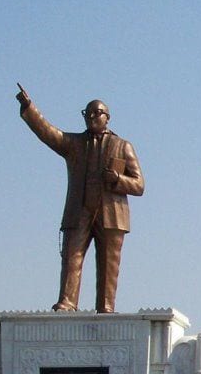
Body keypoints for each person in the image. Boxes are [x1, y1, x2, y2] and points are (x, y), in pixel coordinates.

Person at [16, 84, 144, 313]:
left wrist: (117, 179)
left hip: (111, 213)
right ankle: (67, 301)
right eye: (88, 113)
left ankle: (106, 307)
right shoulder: (74, 144)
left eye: (97, 113)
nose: (92, 117)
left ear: (108, 118)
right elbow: (49, 133)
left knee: (109, 263)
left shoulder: (123, 146)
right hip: (80, 209)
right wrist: (29, 108)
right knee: (71, 256)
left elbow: (139, 185)